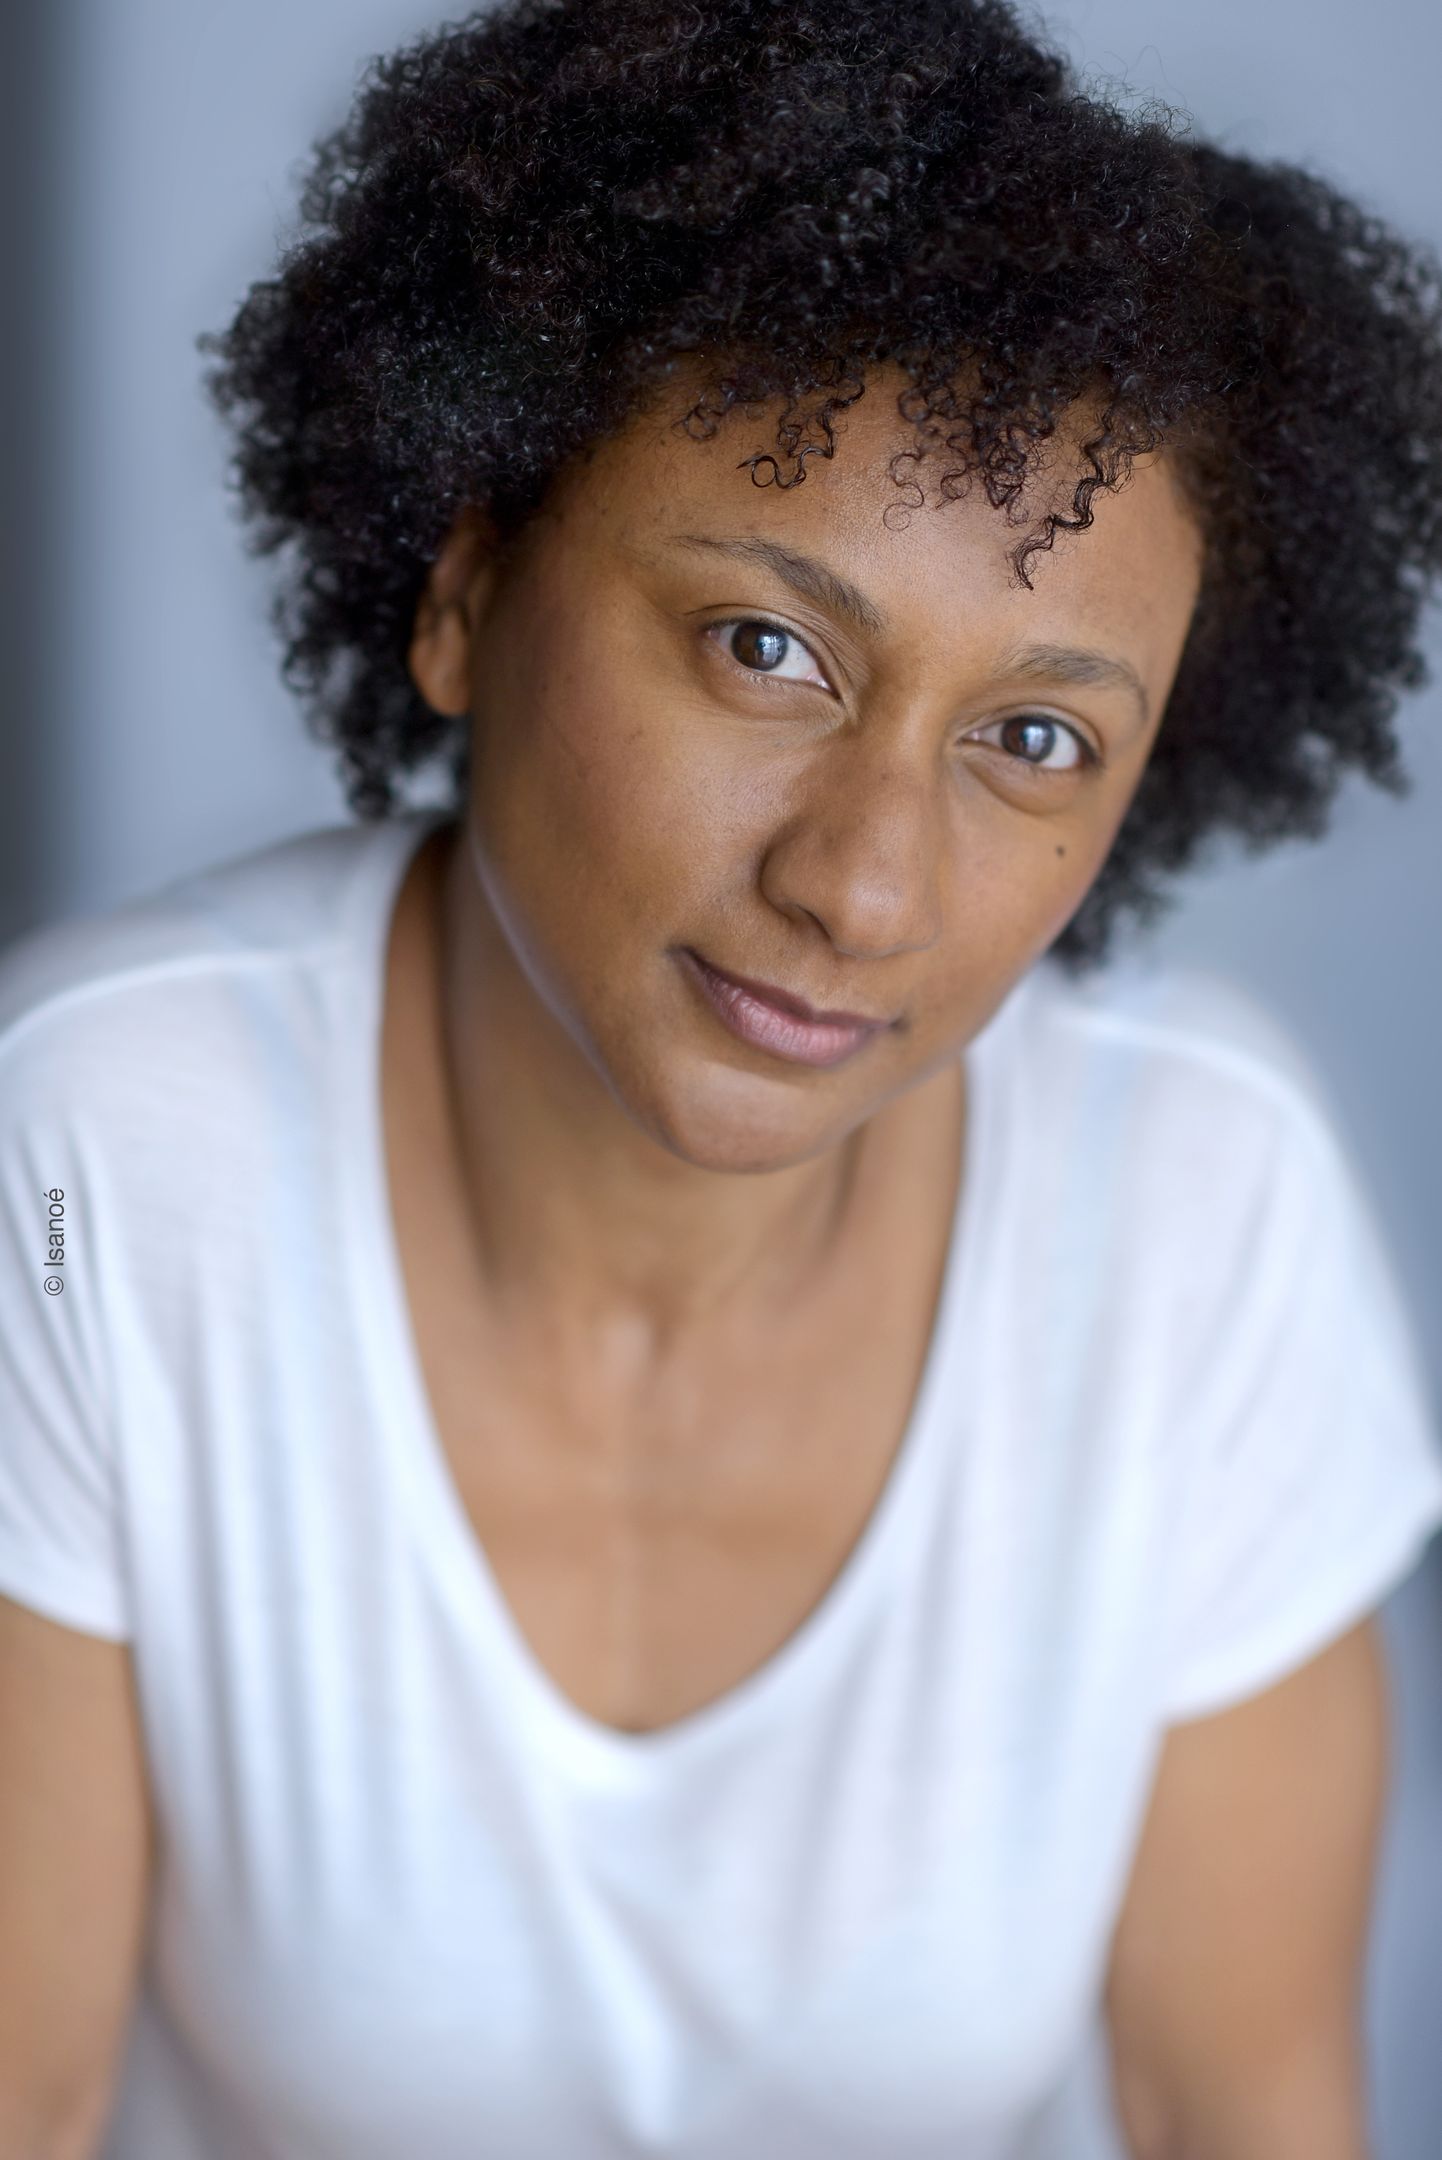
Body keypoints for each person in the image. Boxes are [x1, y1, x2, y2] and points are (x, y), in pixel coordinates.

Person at [3, 0, 1442, 2153]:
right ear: (467, 589)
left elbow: (1237, 2106)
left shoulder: (1194, 1217)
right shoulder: (87, 1162)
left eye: (1031, 739)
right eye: (766, 648)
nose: (862, 885)